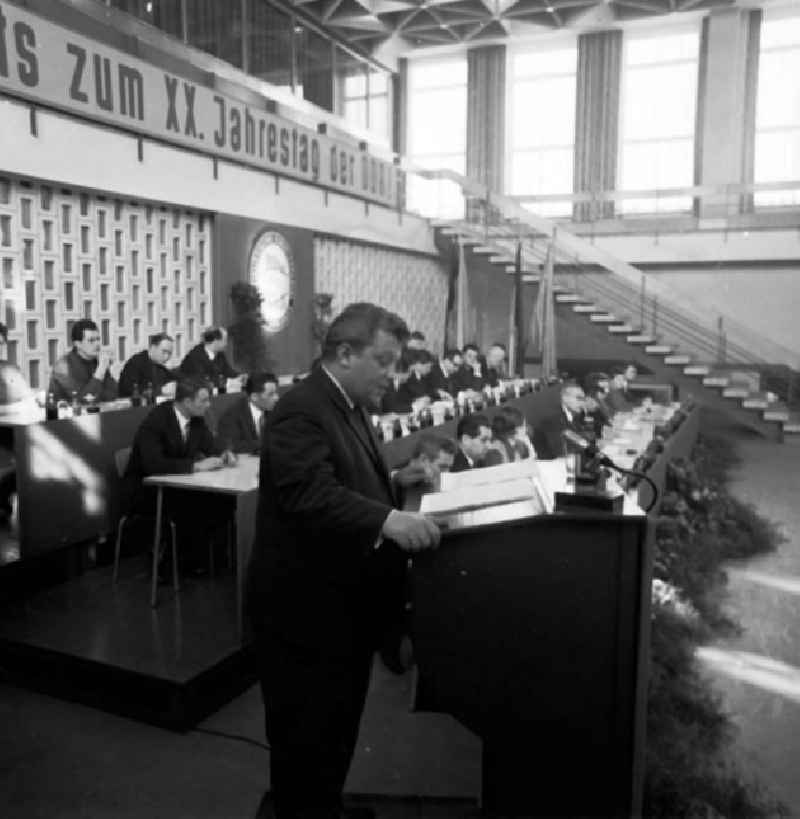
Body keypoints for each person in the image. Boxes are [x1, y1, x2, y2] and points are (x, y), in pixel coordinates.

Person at [246, 301, 440, 819]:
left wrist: (396, 486)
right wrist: (389, 520)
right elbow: (308, 494)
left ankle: (323, 807)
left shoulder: (348, 406)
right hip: (303, 617)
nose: (392, 375)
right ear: (346, 353)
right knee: (305, 745)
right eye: (384, 361)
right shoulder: (300, 409)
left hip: (341, 614)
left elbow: (345, 481)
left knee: (334, 737)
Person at [122, 376, 237, 574]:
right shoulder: (157, 421)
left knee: (225, 502)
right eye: (204, 401)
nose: (208, 405)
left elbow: (211, 445)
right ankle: (175, 564)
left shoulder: (197, 419)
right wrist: (195, 466)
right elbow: (153, 464)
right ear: (187, 402)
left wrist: (224, 452)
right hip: (147, 490)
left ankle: (208, 561)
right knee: (198, 505)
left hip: (177, 485)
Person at [50, 319, 118, 402]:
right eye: (91, 340)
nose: (97, 344)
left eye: (98, 339)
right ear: (78, 344)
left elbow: (113, 394)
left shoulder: (97, 361)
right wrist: (100, 371)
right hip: (63, 413)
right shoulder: (63, 366)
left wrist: (103, 369)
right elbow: (83, 401)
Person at [216, 372, 279, 454]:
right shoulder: (232, 415)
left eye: (276, 393)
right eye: (271, 394)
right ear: (254, 397)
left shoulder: (276, 411)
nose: (276, 398)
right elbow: (233, 446)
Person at [532, 382, 590, 460]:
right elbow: (561, 450)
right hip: (552, 464)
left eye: (584, 399)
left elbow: (582, 440)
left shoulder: (576, 417)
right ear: (565, 398)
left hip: (571, 462)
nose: (583, 403)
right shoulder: (552, 419)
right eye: (579, 398)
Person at [118, 333, 178, 399]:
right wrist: (161, 391)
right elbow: (131, 389)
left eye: (169, 353)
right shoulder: (136, 363)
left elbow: (173, 379)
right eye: (164, 352)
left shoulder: (160, 367)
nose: (167, 357)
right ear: (153, 348)